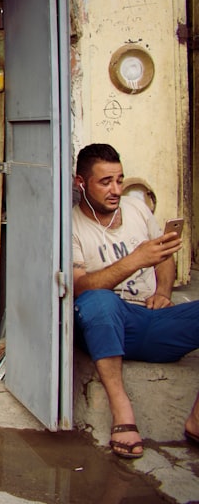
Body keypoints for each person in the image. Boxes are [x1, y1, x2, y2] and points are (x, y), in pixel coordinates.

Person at [71, 143, 199, 459]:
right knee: (98, 301)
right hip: (108, 325)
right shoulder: (70, 225)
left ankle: (197, 420)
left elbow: (162, 257)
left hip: (152, 319)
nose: (116, 190)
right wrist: (135, 259)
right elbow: (79, 288)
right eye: (105, 182)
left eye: (120, 180)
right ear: (81, 183)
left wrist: (163, 292)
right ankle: (123, 413)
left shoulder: (137, 208)